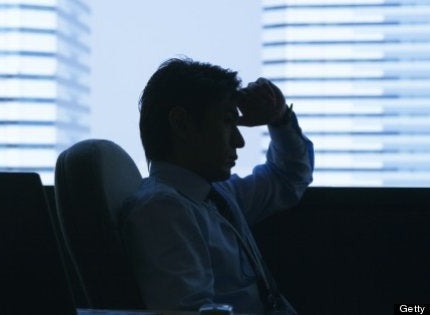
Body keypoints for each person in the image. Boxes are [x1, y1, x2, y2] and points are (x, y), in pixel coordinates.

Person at [119, 57, 314, 314]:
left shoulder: (218, 195)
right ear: (182, 124)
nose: (239, 141)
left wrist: (279, 119)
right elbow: (189, 310)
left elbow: (288, 178)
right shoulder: (163, 211)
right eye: (226, 122)